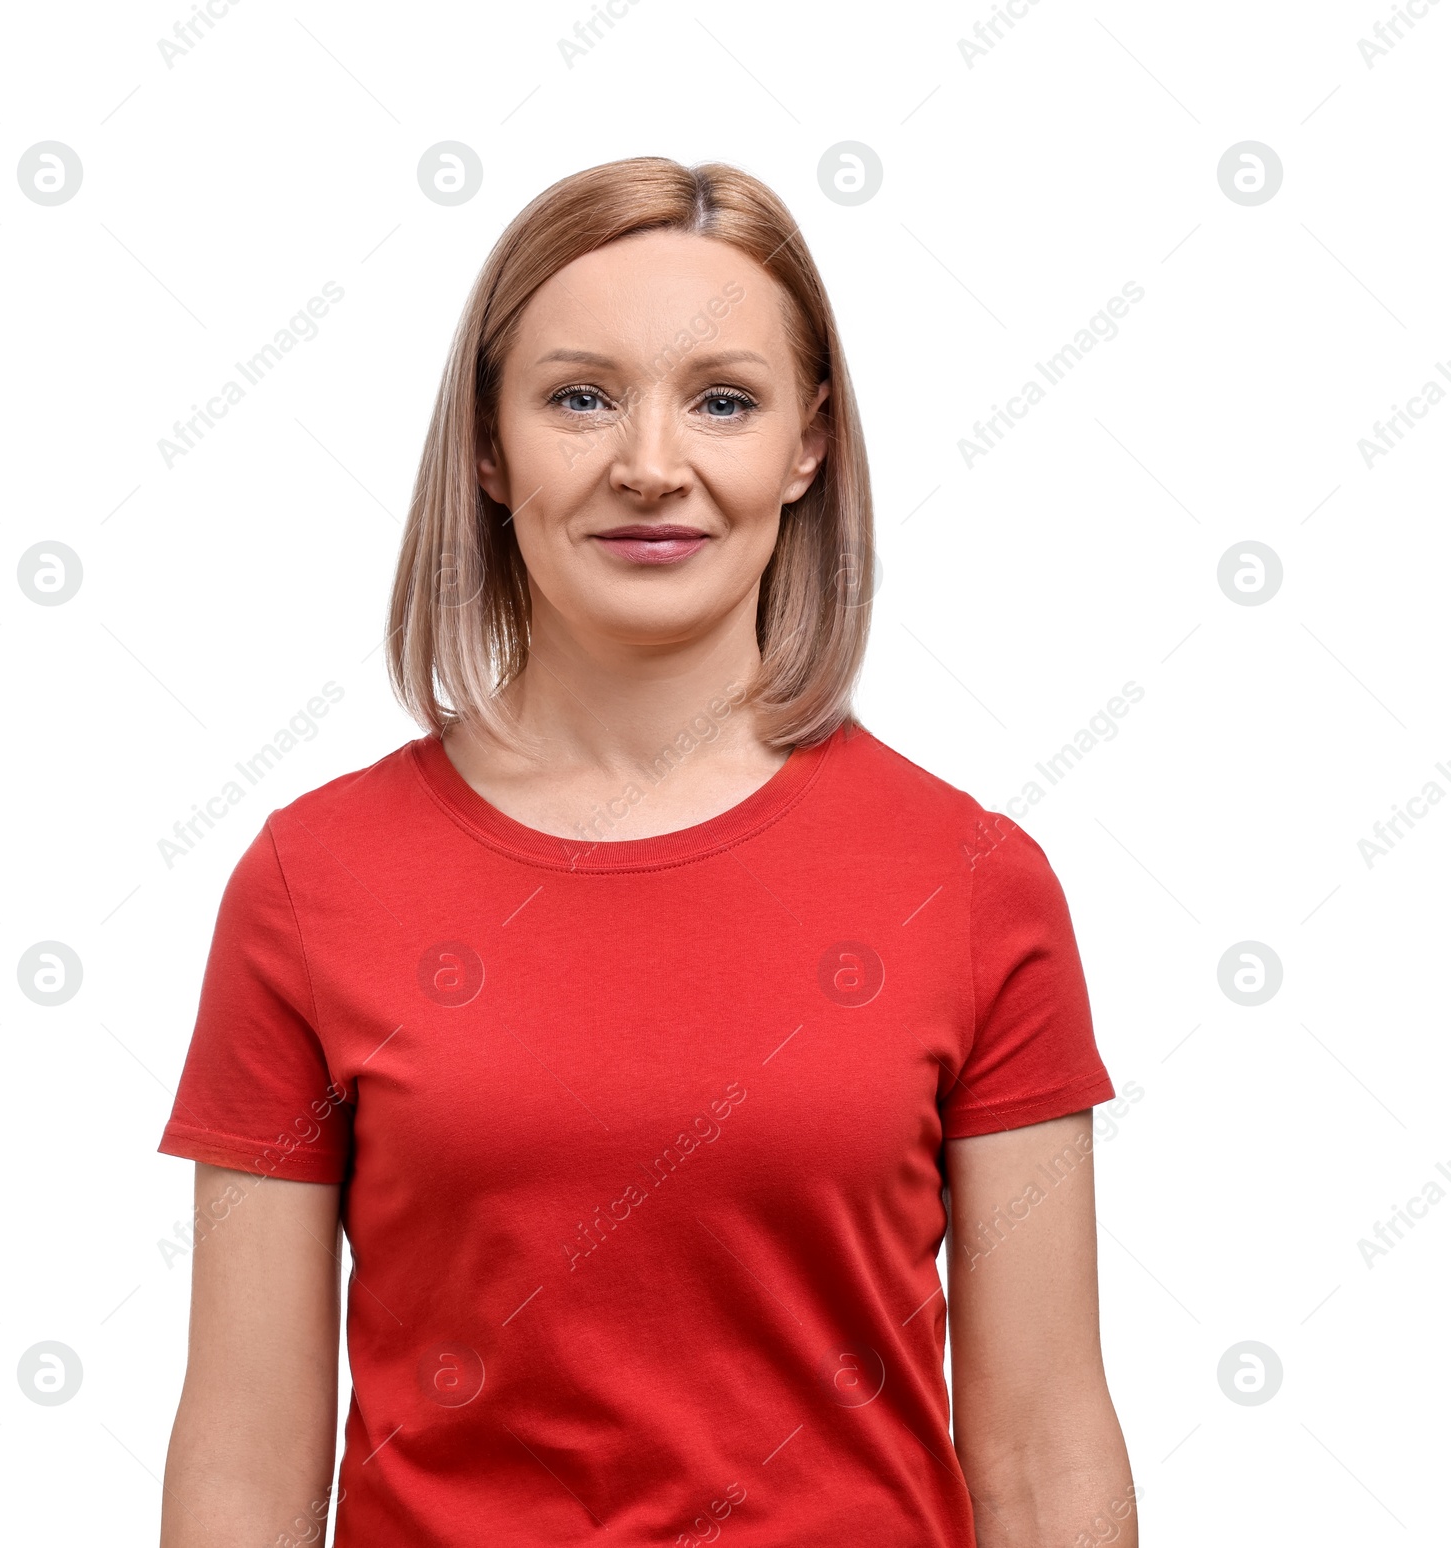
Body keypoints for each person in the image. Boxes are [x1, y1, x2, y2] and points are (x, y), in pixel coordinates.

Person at [157, 156, 1137, 1548]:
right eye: (580, 397)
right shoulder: (312, 884)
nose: (650, 465)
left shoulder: (974, 883)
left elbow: (1043, 1456)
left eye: (722, 400)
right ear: (489, 450)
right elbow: (249, 1466)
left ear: (808, 444)